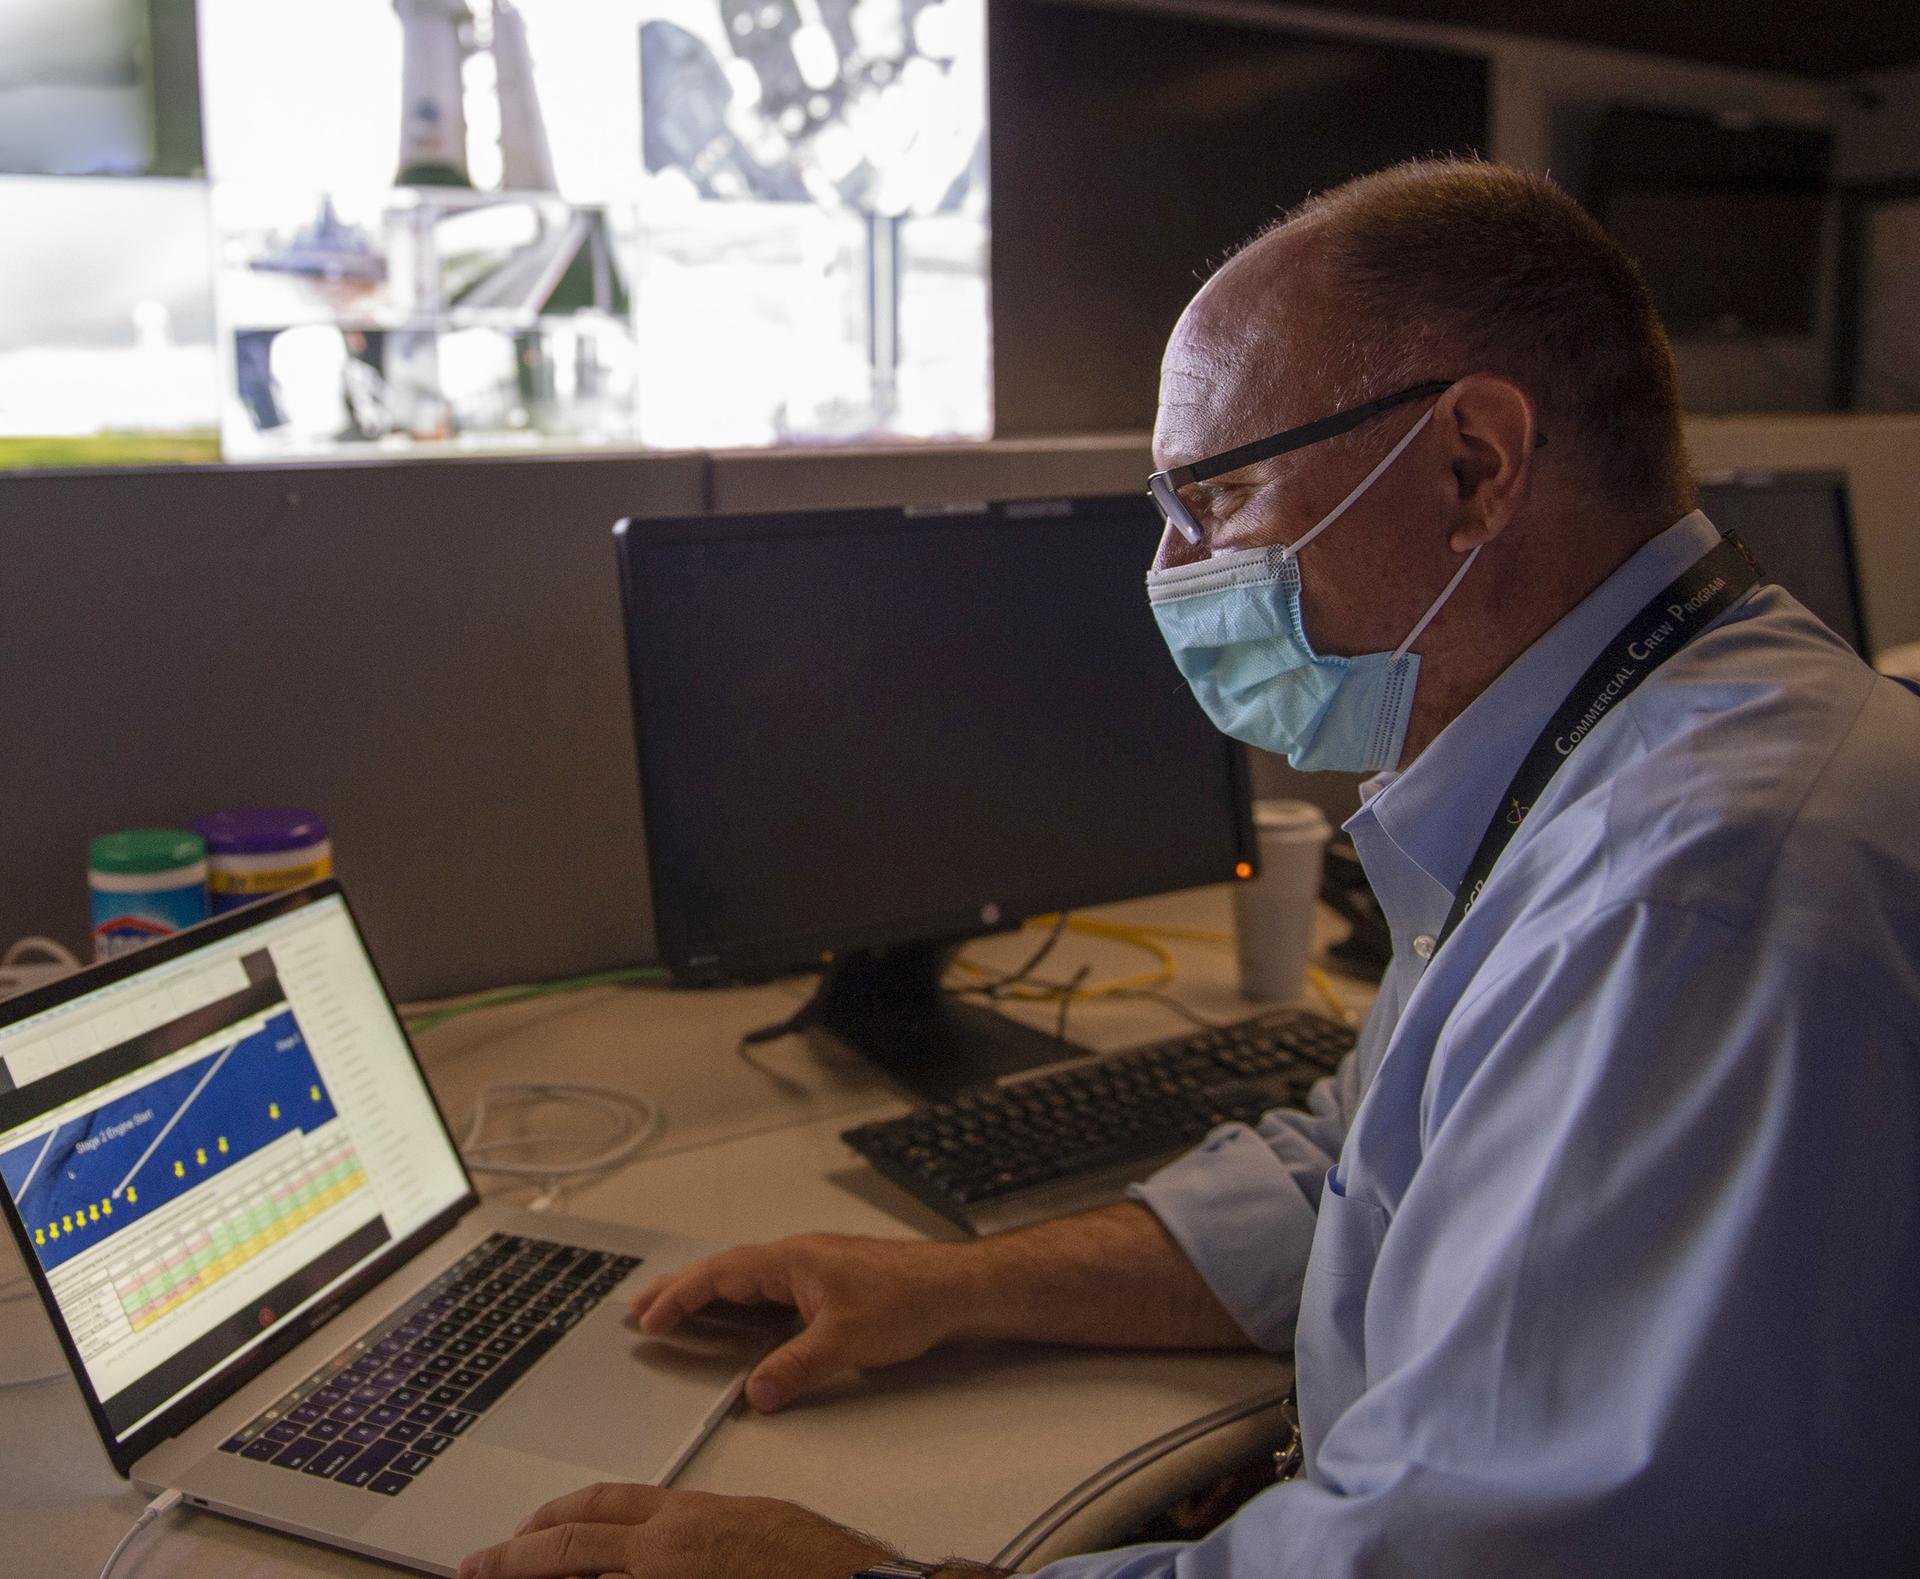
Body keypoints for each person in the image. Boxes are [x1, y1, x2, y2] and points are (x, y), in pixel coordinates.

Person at [456, 160, 1920, 1579]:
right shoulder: (1639, 753)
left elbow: (1454, 1560)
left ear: (1474, 466)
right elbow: (1359, 1178)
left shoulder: (1684, 911)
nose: (1169, 566)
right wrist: (949, 1288)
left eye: (1211, 496)